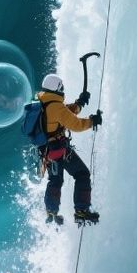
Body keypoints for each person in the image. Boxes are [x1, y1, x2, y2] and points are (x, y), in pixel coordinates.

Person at [37, 73, 102, 226]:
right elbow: (75, 124)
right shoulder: (56, 106)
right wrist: (93, 121)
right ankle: (81, 211)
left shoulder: (43, 102)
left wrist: (79, 103)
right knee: (82, 174)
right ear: (58, 87)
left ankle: (51, 211)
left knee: (55, 180)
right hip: (60, 150)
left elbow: (64, 113)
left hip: (47, 152)